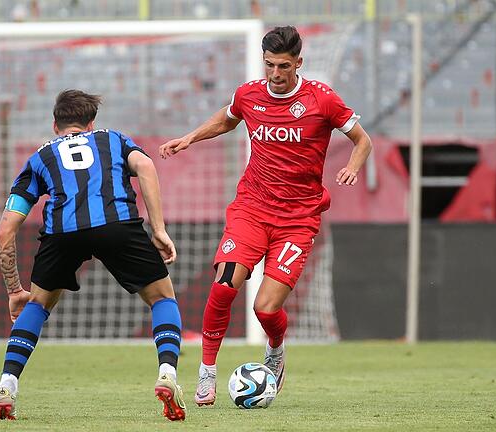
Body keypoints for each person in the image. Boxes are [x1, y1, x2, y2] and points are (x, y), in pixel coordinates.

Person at [159, 26, 373, 405]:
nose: (275, 74)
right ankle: (207, 372)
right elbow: (229, 117)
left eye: (284, 67)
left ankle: (275, 348)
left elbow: (362, 139)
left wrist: (354, 166)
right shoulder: (250, 93)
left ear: (299, 64)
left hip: (298, 218)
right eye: (270, 65)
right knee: (224, 285)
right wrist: (190, 137)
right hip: (251, 209)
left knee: (265, 307)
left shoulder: (321, 99)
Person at [0, 90, 186, 421]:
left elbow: (4, 231)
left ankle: (7, 384)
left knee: (37, 305)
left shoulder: (39, 158)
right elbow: (147, 165)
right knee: (162, 298)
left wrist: (14, 290)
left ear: (56, 125)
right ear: (91, 123)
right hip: (118, 224)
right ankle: (167, 373)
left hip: (62, 233)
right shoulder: (113, 139)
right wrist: (159, 229)